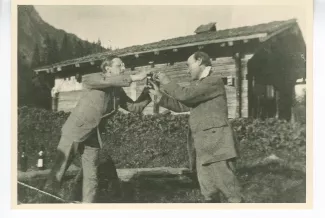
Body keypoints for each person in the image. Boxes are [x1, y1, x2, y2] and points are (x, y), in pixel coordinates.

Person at [42, 56, 151, 203]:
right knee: (59, 170)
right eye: (119, 65)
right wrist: (136, 77)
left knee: (92, 176)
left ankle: (88, 207)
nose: (123, 68)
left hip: (93, 135)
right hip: (74, 130)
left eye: (123, 65)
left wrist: (147, 92)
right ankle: (44, 203)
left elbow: (133, 107)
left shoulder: (117, 91)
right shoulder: (93, 79)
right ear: (108, 69)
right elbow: (108, 81)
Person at [148, 51, 243, 203]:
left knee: (230, 191)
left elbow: (185, 95)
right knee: (209, 193)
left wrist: (166, 80)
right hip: (202, 147)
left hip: (217, 145)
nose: (187, 70)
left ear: (199, 61)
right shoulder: (199, 86)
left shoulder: (213, 81)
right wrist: (159, 96)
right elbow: (182, 105)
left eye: (188, 65)